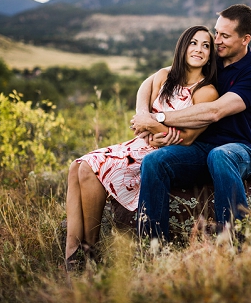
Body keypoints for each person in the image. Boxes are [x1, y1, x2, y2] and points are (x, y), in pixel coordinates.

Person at [65, 25, 219, 271]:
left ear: (211, 55)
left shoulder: (206, 91)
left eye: (205, 45)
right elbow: (143, 115)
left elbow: (188, 137)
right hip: (139, 145)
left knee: (87, 168)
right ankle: (73, 253)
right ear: (182, 47)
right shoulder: (164, 77)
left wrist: (153, 126)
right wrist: (146, 121)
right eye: (193, 43)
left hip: (160, 154)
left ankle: (89, 251)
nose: (199, 49)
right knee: (78, 167)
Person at [131, 4, 251, 242]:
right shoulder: (211, 57)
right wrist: (142, 112)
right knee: (154, 161)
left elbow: (214, 112)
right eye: (216, 33)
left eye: (225, 36)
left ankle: (235, 241)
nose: (217, 41)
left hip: (238, 149)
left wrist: (157, 118)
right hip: (198, 148)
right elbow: (155, 77)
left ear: (245, 39)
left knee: (220, 155)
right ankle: (152, 246)